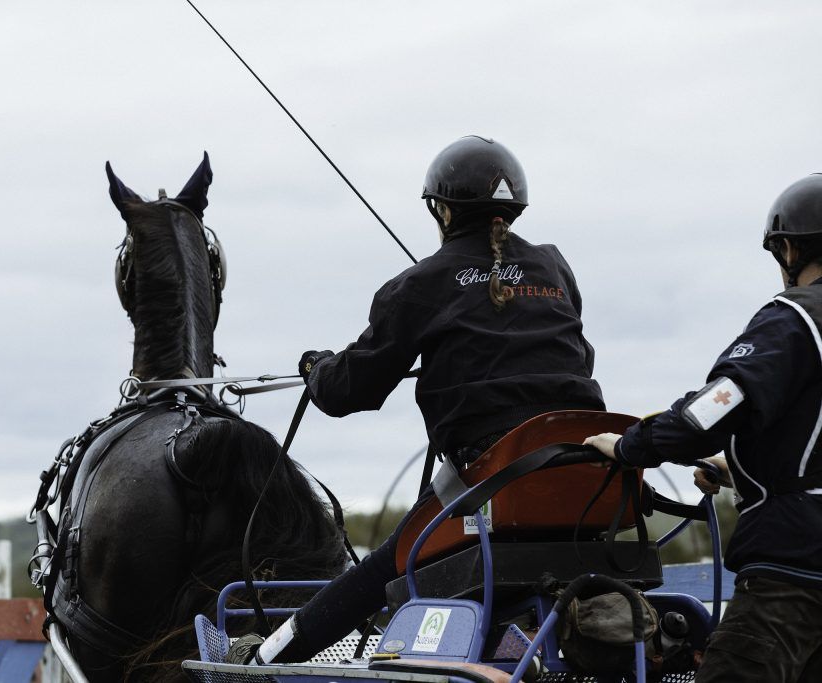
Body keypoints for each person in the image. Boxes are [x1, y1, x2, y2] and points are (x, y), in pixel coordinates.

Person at [228, 135, 605, 665]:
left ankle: (264, 659)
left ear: (442, 210)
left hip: (496, 485)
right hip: (592, 482)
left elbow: (347, 390)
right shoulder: (554, 266)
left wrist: (316, 367)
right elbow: (576, 360)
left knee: (389, 563)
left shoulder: (421, 284)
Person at [584, 174, 822, 682]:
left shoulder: (794, 320)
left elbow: (709, 414)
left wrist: (629, 446)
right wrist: (742, 468)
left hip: (792, 576)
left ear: (788, 249)